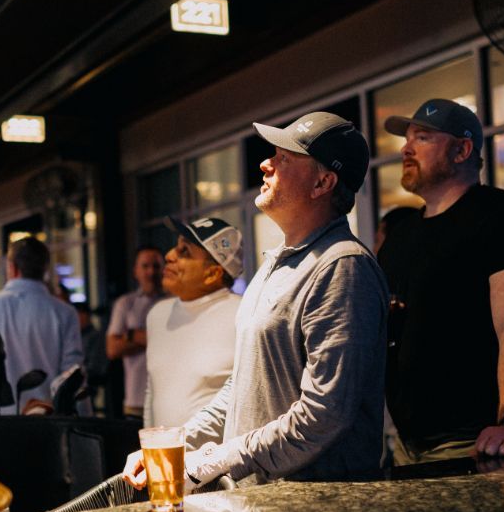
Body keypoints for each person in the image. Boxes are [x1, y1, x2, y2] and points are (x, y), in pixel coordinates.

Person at [125, 110, 387, 489]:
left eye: (284, 158)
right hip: (268, 502)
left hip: (321, 510)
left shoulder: (342, 267)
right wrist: (176, 443)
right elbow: (242, 385)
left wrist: (218, 458)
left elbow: (325, 414)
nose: (265, 164)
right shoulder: (275, 265)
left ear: (323, 183)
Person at [378, 98, 504, 461]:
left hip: (478, 440)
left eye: (422, 138)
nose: (406, 149)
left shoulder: (502, 218)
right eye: (407, 139)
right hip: (407, 444)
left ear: (462, 149)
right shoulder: (401, 236)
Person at [0, 236, 83, 413]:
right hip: (47, 424)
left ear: (12, 267)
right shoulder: (65, 313)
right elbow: (72, 377)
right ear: (45, 268)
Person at [144, 216, 243, 428]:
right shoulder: (157, 315)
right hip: (163, 455)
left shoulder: (243, 315)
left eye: (184, 252)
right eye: (175, 247)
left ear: (213, 273)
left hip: (218, 458)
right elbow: (152, 392)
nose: (169, 256)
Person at [106, 246, 166, 418]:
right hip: (135, 398)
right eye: (145, 266)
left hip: (168, 398)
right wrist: (154, 338)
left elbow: (176, 344)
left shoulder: (175, 301)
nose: (151, 272)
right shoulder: (125, 303)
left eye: (156, 266)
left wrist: (131, 334)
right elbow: (112, 349)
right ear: (135, 271)